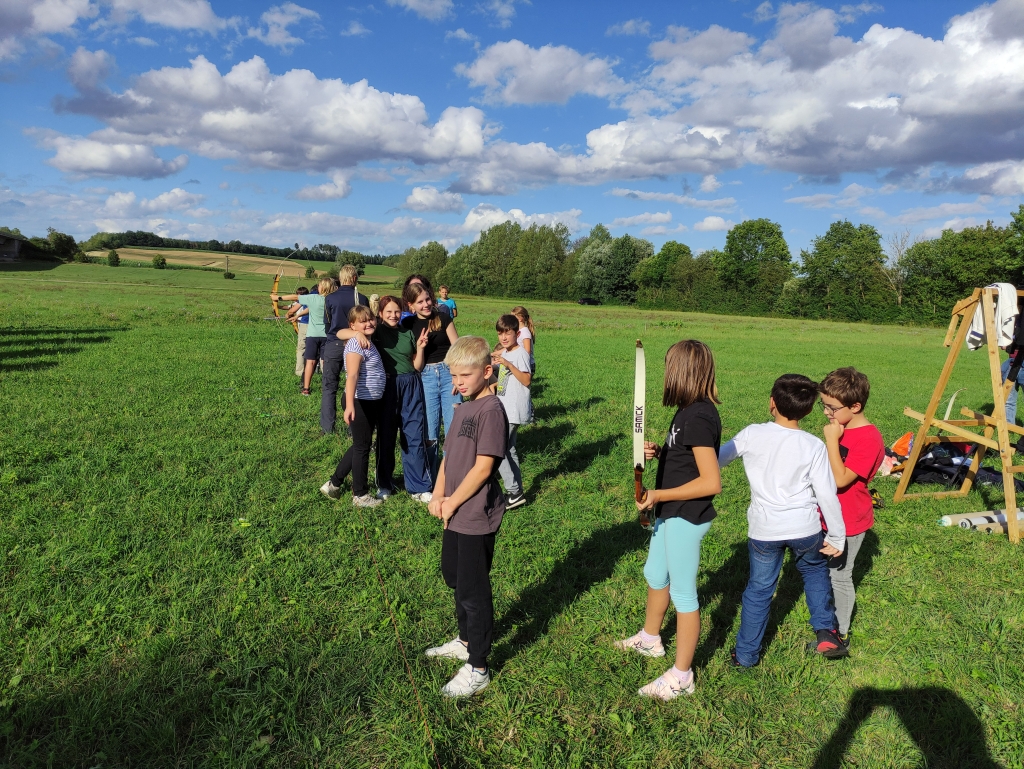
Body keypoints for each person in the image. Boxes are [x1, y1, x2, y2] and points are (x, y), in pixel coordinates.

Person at [615, 340, 722, 701]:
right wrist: (662, 453)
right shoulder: (688, 412)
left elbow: (711, 481)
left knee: (683, 594)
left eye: (668, 369)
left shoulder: (700, 417)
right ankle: (651, 638)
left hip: (685, 517)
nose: (664, 376)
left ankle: (682, 675)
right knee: (654, 574)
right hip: (670, 513)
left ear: (681, 374)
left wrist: (658, 495)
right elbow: (687, 459)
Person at [719, 374, 848, 668]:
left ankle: (746, 655)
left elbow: (716, 459)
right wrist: (837, 536)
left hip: (765, 532)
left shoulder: (752, 434)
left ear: (772, 403)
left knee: (760, 589)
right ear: (807, 410)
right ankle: (827, 633)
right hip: (806, 529)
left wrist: (675, 456)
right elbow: (827, 494)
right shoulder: (813, 445)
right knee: (815, 574)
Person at [424, 336, 508, 698]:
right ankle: (463, 639)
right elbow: (448, 458)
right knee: (453, 576)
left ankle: (478, 665)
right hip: (454, 510)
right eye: (453, 375)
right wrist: (439, 495)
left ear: (487, 371)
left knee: (474, 591)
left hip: (474, 515)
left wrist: (454, 502)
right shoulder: (462, 408)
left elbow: (484, 468)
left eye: (464, 375)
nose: (457, 382)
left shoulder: (491, 411)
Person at [340, 294, 434, 502]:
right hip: (387, 387)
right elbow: (339, 332)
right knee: (386, 435)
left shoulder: (407, 333)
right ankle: (384, 483)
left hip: (410, 384)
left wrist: (420, 347)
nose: (393, 315)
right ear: (380, 314)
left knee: (413, 434)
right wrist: (357, 335)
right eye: (388, 312)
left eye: (397, 311)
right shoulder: (375, 331)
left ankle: (418, 486)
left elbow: (417, 366)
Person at [819, 367, 884, 648]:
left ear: (855, 406)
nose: (826, 414)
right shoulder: (841, 428)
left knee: (840, 575)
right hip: (827, 516)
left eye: (832, 408)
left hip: (849, 520)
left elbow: (842, 479)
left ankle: (841, 633)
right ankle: (825, 613)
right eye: (824, 406)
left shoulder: (868, 438)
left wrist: (832, 441)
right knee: (824, 570)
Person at [319, 305, 386, 508]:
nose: (369, 323)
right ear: (353, 325)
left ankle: (334, 483)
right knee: (362, 447)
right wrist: (349, 405)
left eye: (371, 319)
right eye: (362, 321)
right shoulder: (355, 345)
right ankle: (360, 495)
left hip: (369, 400)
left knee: (360, 444)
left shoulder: (366, 341)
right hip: (358, 401)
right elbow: (352, 376)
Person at [401, 282, 460, 476]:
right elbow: (415, 363)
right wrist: (421, 347)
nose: (425, 304)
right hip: (425, 377)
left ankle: (452, 475)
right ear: (411, 305)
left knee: (454, 429)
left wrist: (458, 377)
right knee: (430, 432)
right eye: (420, 302)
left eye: (427, 299)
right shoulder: (408, 325)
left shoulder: (443, 317)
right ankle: (432, 477)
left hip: (449, 373)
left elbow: (458, 348)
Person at [321, 266, 369, 434]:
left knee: (329, 386)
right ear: (355, 278)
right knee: (355, 384)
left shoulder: (330, 299)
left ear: (340, 279)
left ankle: (327, 427)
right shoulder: (362, 298)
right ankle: (353, 428)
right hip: (356, 345)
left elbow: (327, 323)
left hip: (334, 343)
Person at [491, 314, 531, 510]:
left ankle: (513, 491)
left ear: (517, 332)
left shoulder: (520, 353)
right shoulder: (505, 352)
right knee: (509, 449)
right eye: (500, 333)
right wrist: (494, 386)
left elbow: (526, 380)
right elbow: (509, 380)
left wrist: (507, 364)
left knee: (496, 449)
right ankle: (518, 491)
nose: (503, 337)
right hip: (505, 408)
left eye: (507, 333)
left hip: (513, 410)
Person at [511, 305, 535, 373]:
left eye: (512, 317)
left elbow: (527, 351)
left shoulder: (525, 332)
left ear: (520, 318)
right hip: (521, 364)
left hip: (526, 366)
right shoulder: (519, 331)